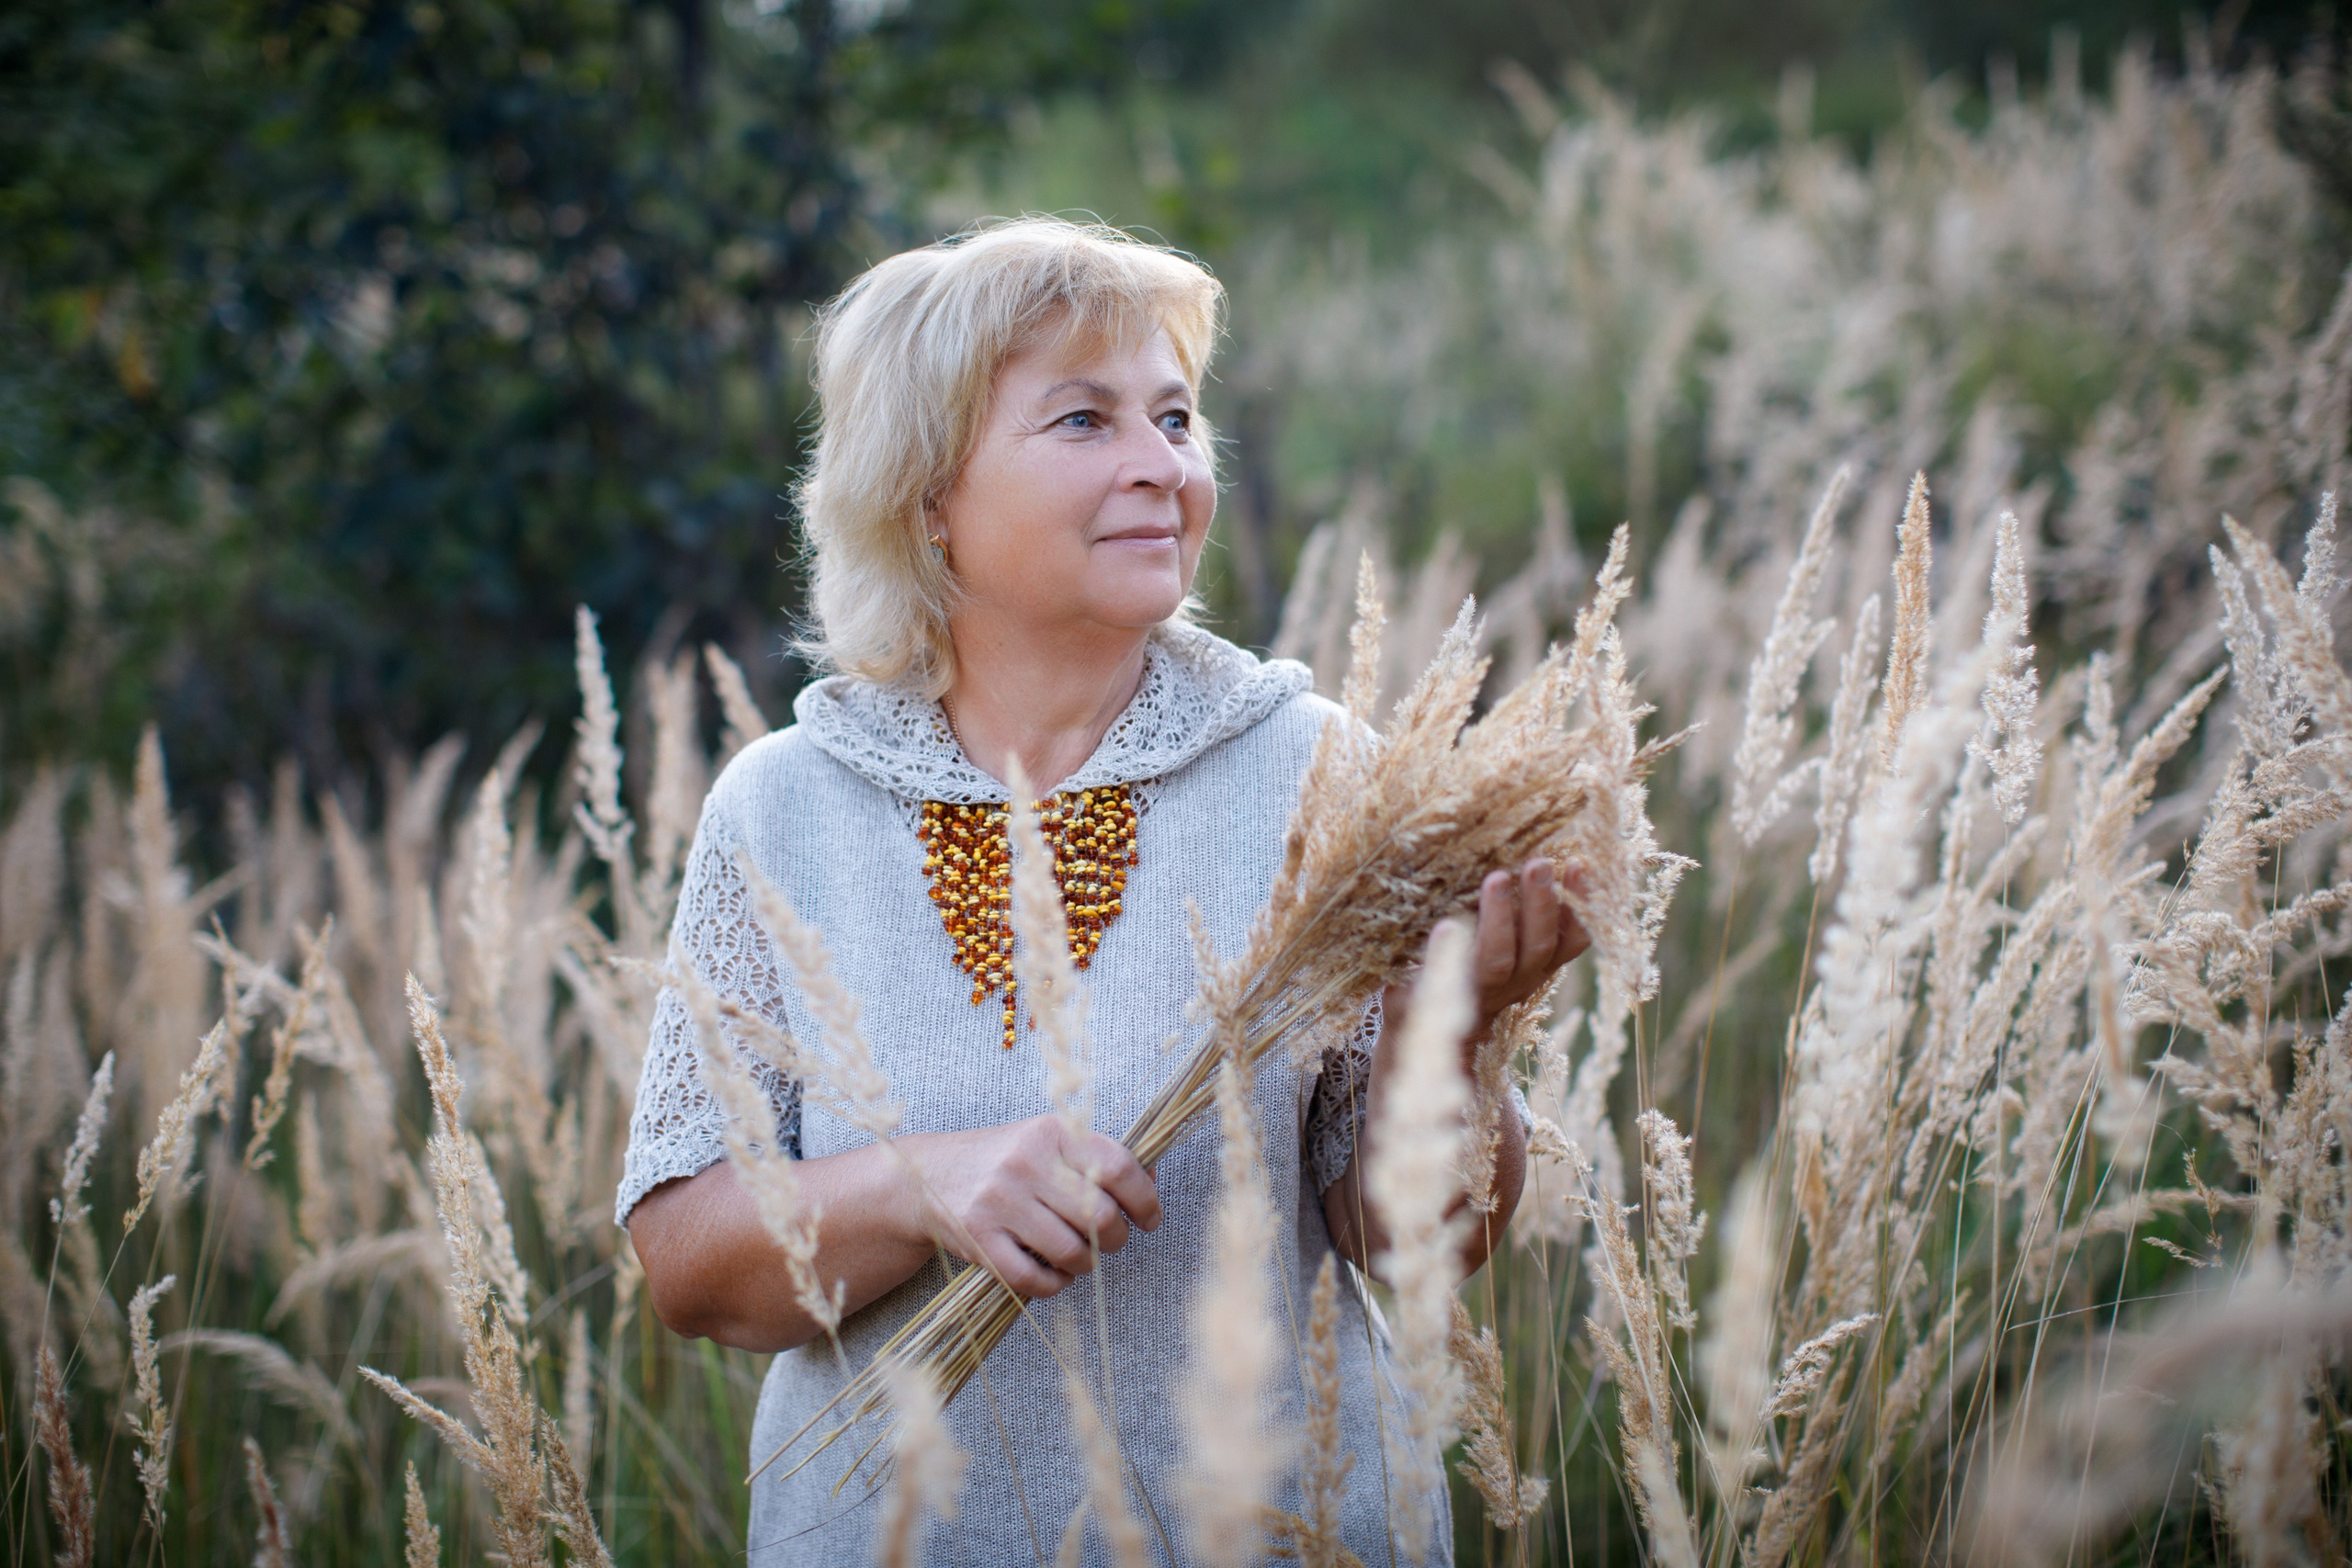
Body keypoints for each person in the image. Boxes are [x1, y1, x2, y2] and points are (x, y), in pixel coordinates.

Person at [616, 216, 1588, 1564]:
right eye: (1084, 422)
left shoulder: (1318, 771)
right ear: (926, 496)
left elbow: (1414, 1244)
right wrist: (916, 1189)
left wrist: (1461, 1034)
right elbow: (687, 1262)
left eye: (1177, 417)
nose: (1162, 466)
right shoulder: (783, 808)